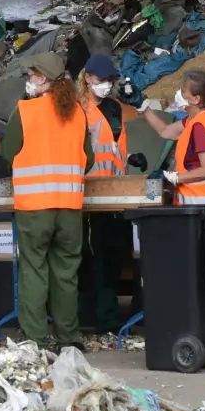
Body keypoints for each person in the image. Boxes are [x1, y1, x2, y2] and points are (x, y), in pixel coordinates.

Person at [1, 53, 93, 348]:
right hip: (69, 207)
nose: (28, 80)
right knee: (66, 273)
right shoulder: (78, 113)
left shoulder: (26, 112)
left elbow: (8, 154)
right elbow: (87, 160)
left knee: (34, 269)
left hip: (34, 207)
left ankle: (37, 339)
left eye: (30, 75)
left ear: (42, 78)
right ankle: (69, 337)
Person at [75, 54, 135, 332]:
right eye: (101, 79)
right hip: (84, 193)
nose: (106, 85)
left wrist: (131, 160)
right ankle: (92, 317)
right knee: (90, 259)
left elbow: (114, 148)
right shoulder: (76, 108)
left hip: (113, 193)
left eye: (110, 80)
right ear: (87, 78)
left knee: (110, 258)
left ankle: (107, 317)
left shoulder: (114, 108)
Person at [141, 69, 205, 205]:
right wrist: (141, 106)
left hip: (202, 205)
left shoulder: (201, 127)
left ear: (196, 99)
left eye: (183, 92)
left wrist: (170, 176)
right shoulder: (201, 119)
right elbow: (165, 131)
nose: (178, 94)